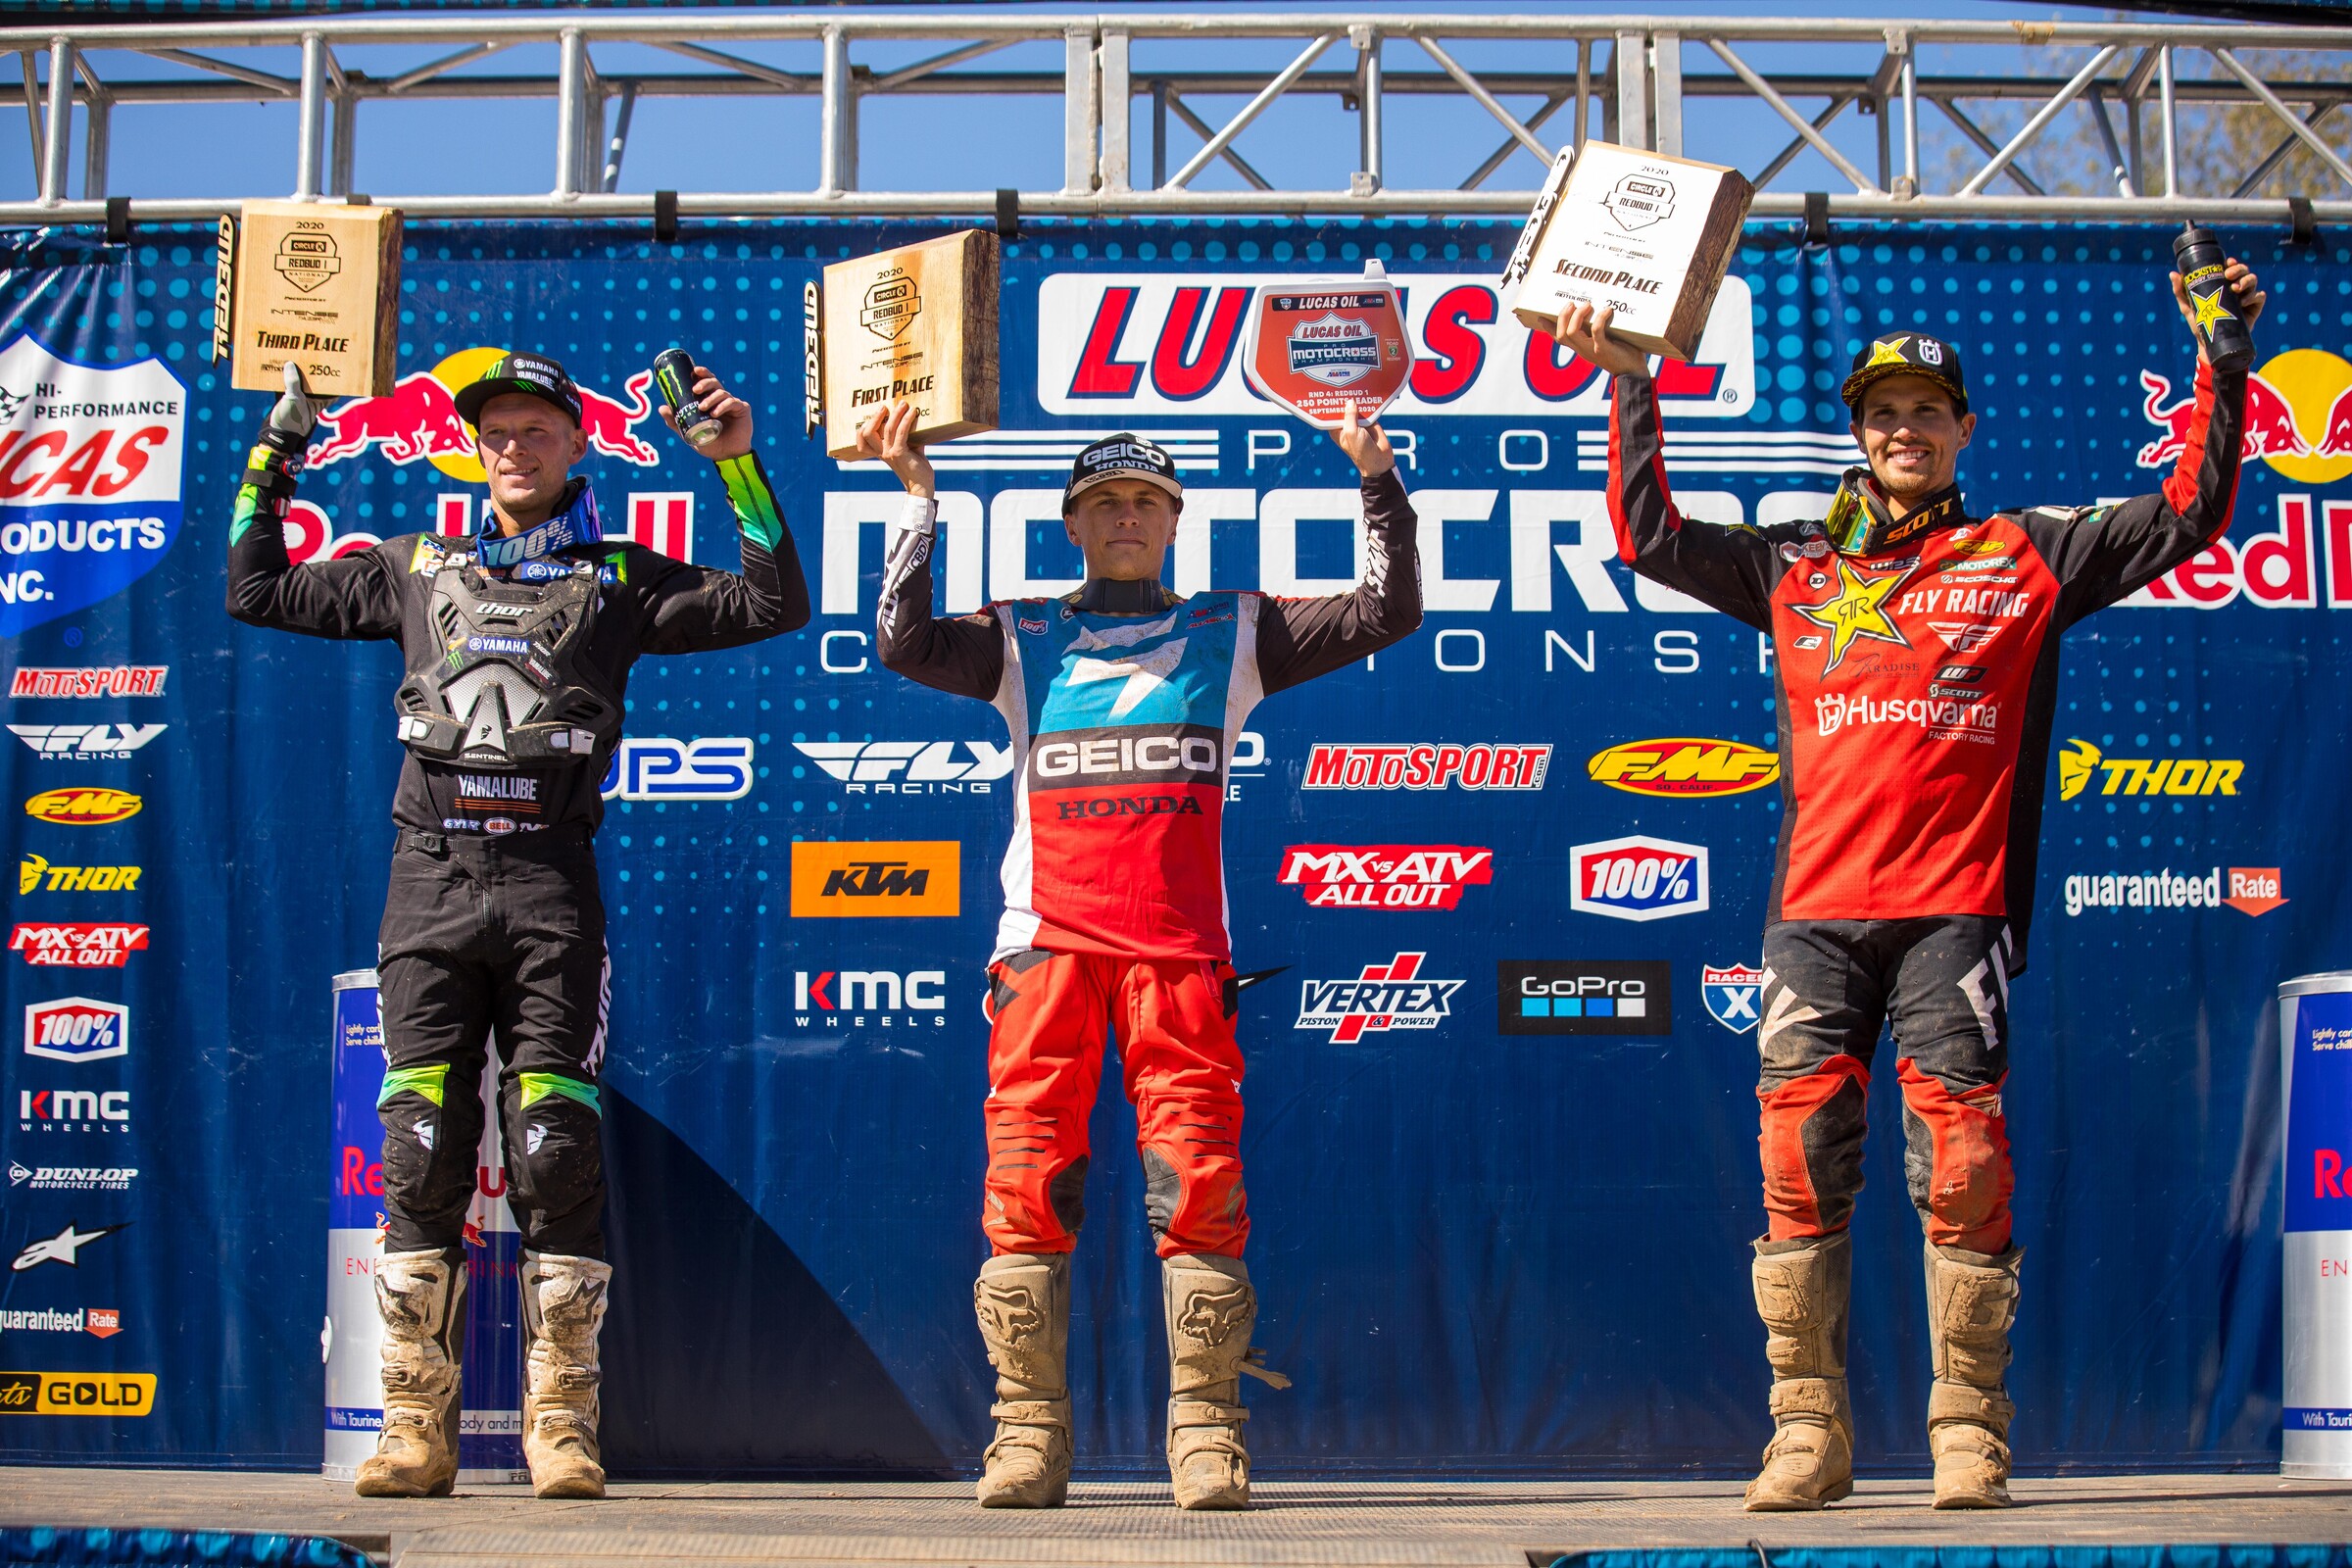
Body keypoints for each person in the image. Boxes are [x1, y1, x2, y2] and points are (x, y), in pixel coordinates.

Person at [1559, 255, 2263, 1511]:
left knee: (1963, 1164)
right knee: (1796, 1162)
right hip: (1814, 916)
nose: (1905, 430)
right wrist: (1631, 384)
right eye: (1884, 412)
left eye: (1927, 412)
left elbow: (2190, 513)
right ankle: (1807, 1431)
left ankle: (1968, 1430)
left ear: (1963, 430)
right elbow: (1648, 535)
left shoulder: (2029, 552)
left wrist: (2221, 359)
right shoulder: (1794, 562)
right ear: (1859, 431)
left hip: (1955, 909)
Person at [226, 351, 810, 1499]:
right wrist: (276, 451)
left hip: (550, 884)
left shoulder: (617, 576)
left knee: (554, 1147)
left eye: (536, 428)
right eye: (494, 429)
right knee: (417, 1146)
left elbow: (770, 603)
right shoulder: (414, 566)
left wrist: (737, 466)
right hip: (430, 884)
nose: (513, 446)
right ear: (472, 447)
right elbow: (256, 591)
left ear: (576, 444)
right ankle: (413, 1425)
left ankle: (561, 1423)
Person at [859, 403, 1420, 1510]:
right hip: (1047, 946)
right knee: (1027, 1183)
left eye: (1147, 502)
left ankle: (1206, 1433)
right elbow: (903, 641)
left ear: (1173, 522)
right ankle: (1027, 1434)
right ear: (1073, 524)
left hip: (1179, 951)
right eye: (1105, 501)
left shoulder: (1235, 627)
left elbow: (1385, 609)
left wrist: (1375, 477)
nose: (1126, 516)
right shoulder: (1019, 632)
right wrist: (918, 501)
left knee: (1198, 1182)